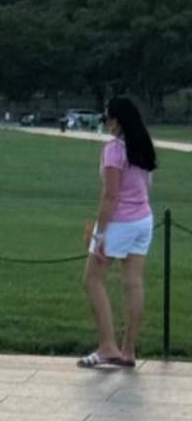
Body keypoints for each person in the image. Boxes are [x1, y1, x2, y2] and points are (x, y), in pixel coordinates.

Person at [78, 96, 157, 369]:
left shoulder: (114, 150)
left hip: (120, 221)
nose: (106, 123)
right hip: (143, 219)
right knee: (133, 283)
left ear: (117, 120)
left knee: (92, 280)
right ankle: (128, 350)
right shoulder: (142, 145)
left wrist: (100, 234)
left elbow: (111, 195)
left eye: (108, 118)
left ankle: (107, 346)